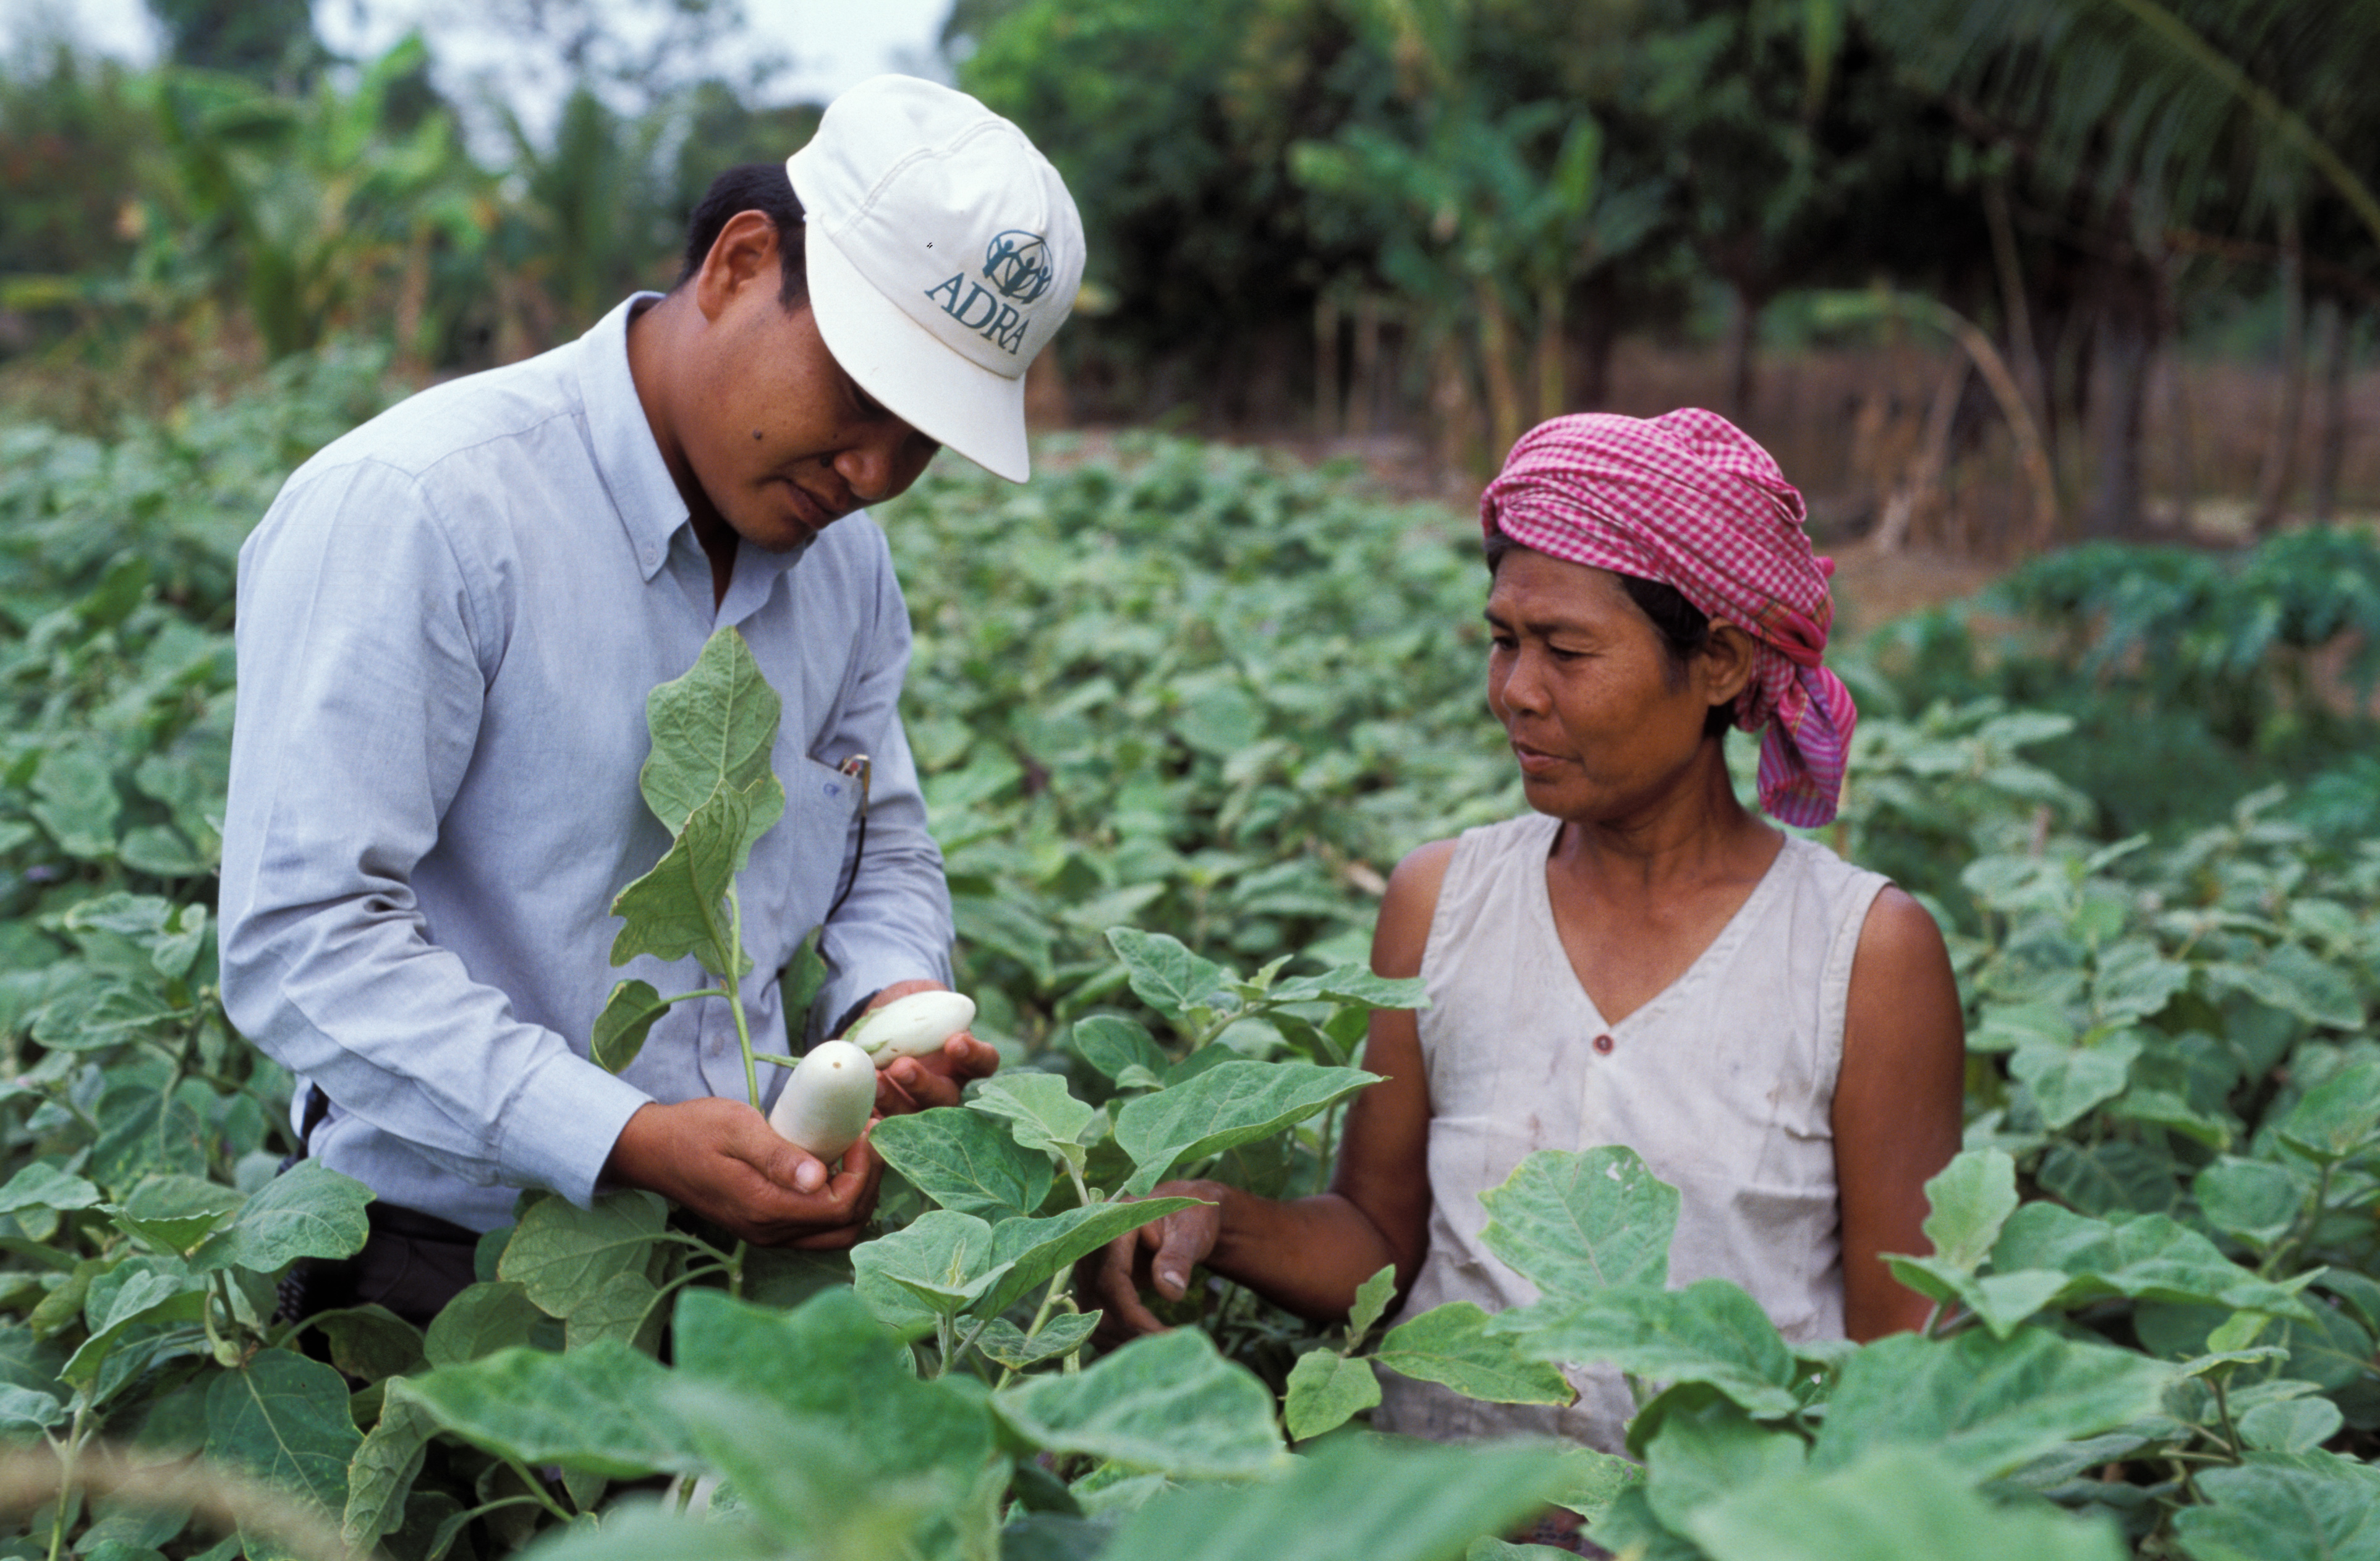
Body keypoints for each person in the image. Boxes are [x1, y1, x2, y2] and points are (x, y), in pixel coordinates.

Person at [219, 75, 1084, 1326]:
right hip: (443, 1266)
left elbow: (877, 839)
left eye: (924, 440)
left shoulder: (844, 562)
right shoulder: (422, 508)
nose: (876, 473)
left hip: (749, 1259)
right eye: (863, 399)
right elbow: (301, 941)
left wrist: (891, 1001)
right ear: (740, 264)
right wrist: (620, 1136)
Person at [1087, 410, 1965, 1461]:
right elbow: (1378, 1237)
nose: (1516, 692)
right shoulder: (1441, 902)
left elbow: (1901, 1357)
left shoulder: (1860, 956)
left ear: (1723, 663)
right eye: (1504, 640)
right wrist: (1214, 1215)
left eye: (1566, 650)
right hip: (1442, 1513)